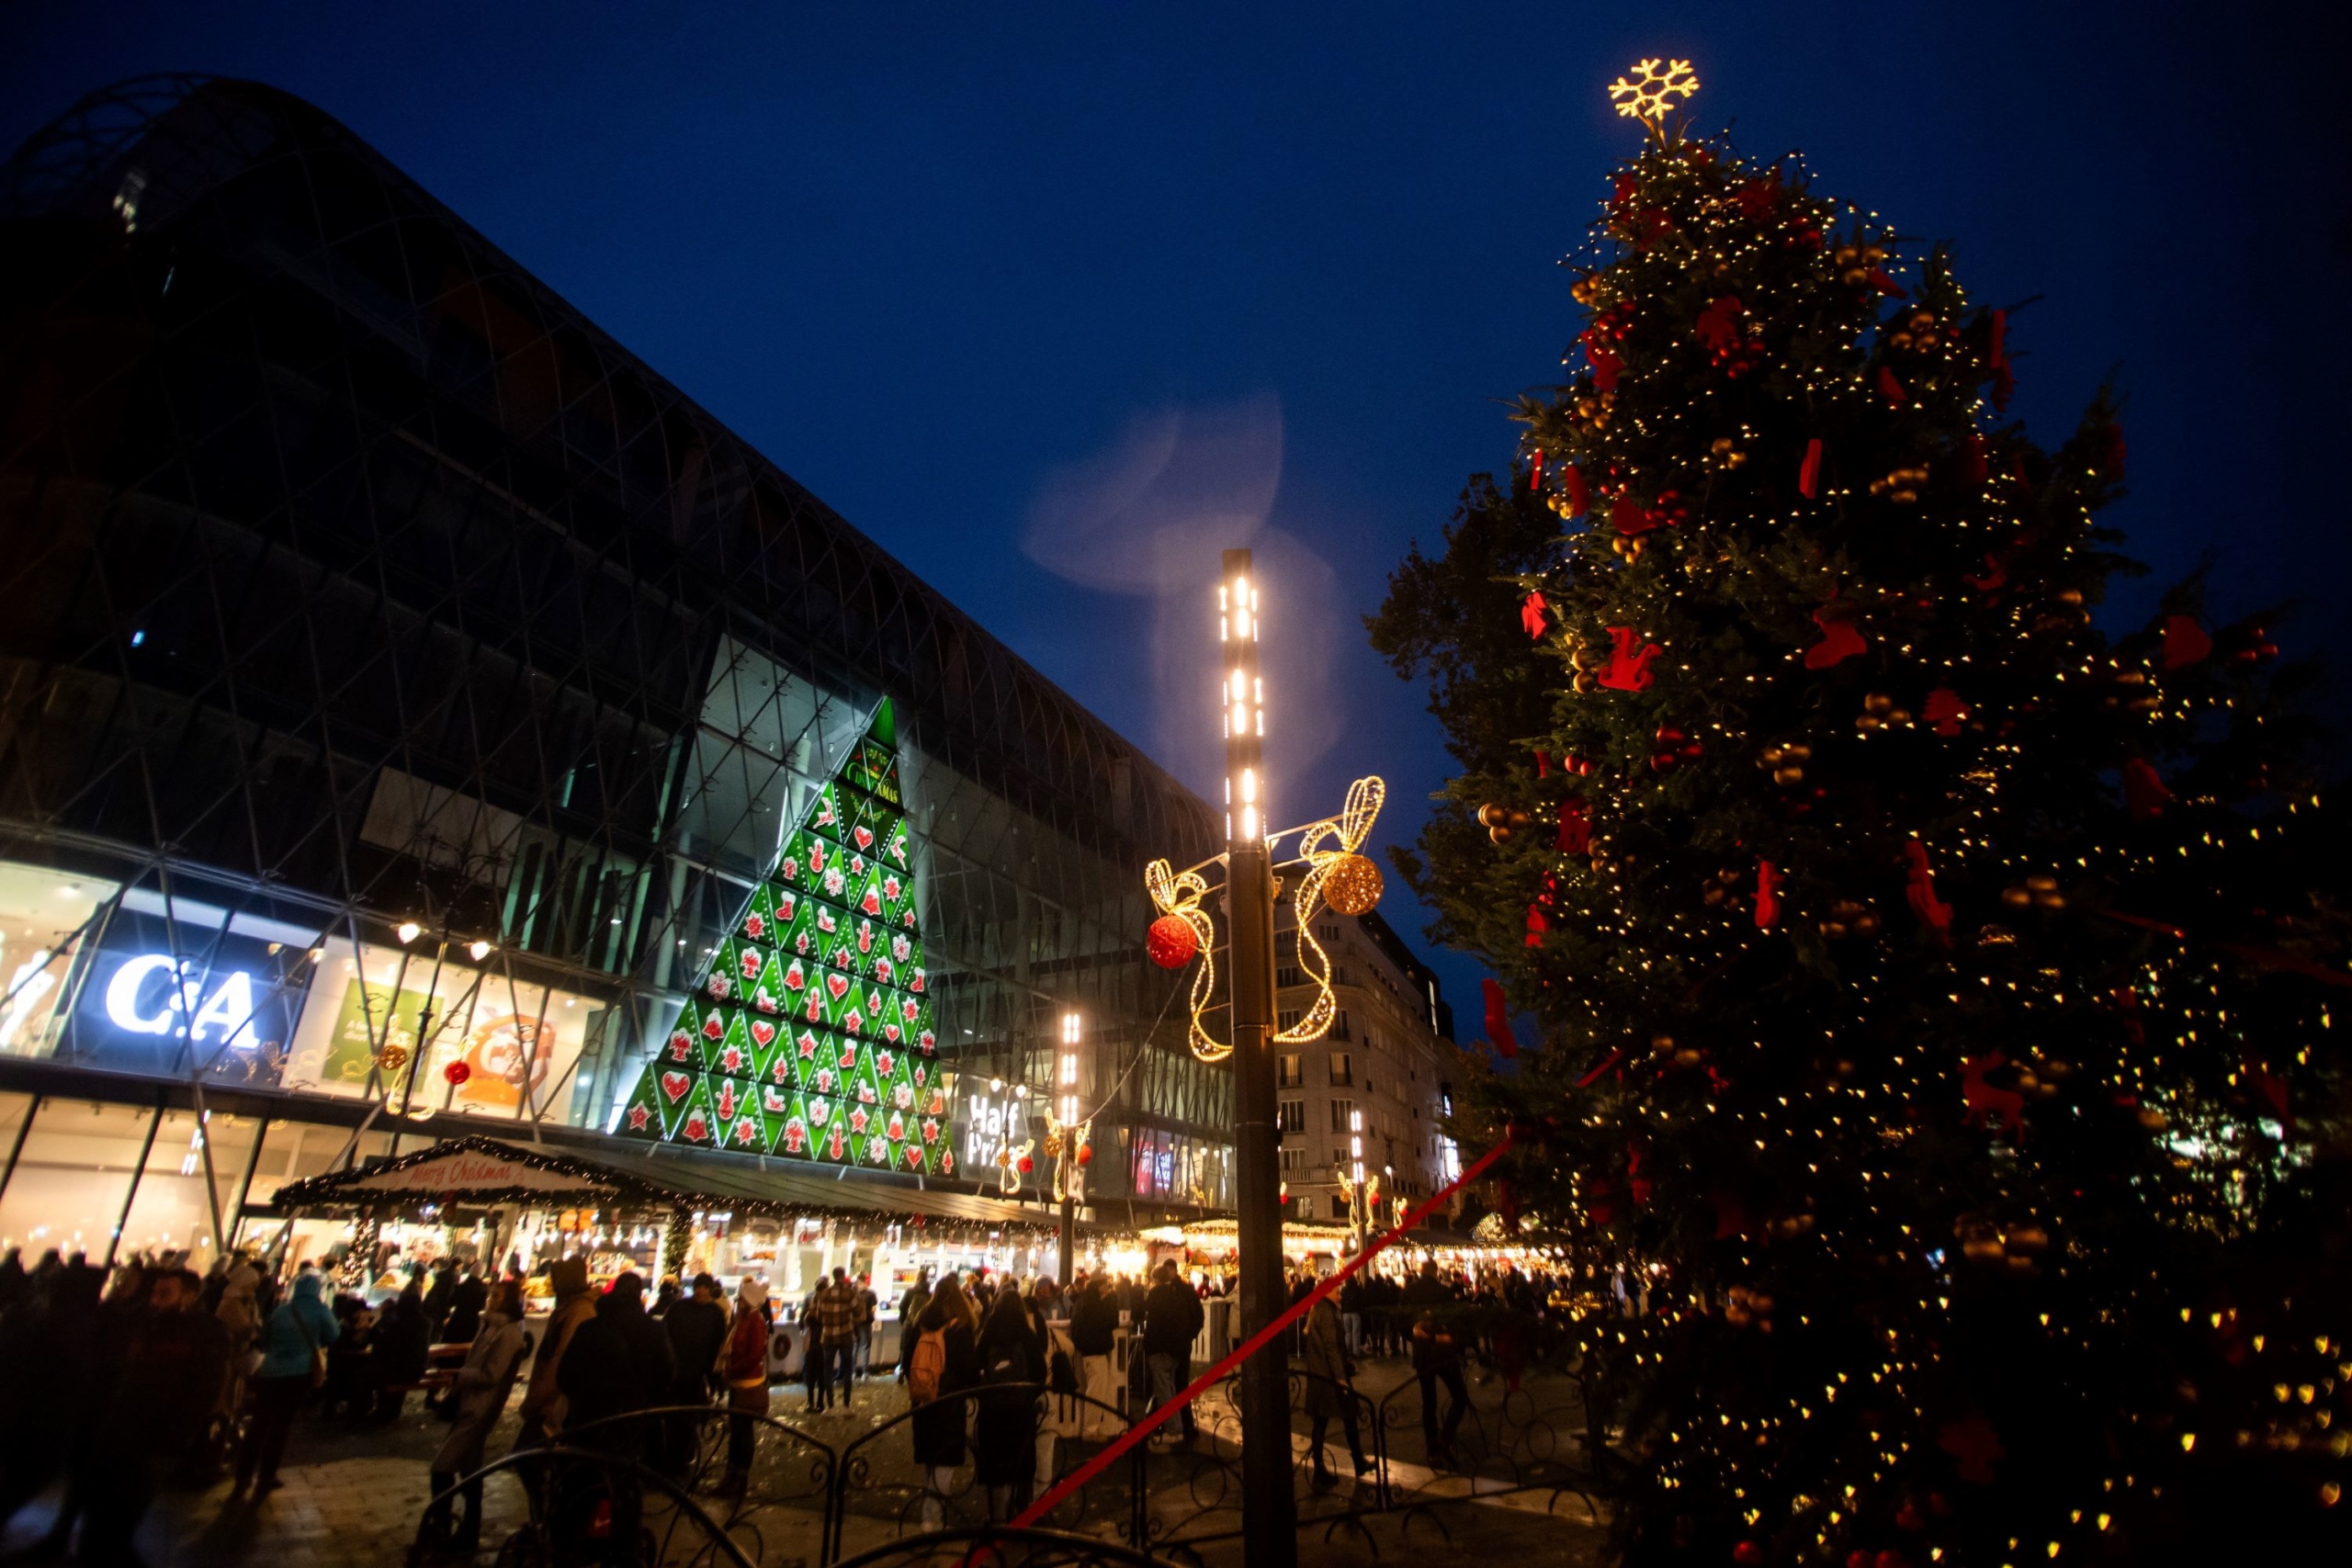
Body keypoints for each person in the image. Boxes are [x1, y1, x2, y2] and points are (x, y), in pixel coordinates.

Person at [425, 1280, 532, 1552]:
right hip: (470, 1404)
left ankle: (442, 1527)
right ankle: (465, 1531)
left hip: (479, 1408)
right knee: (470, 1471)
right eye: (490, 1295)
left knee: (442, 1467)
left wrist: (458, 1376)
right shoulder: (490, 1325)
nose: (490, 1299)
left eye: (496, 1296)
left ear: (508, 1301)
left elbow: (492, 1374)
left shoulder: (507, 1332)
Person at [235, 1268, 339, 1496]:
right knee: (281, 1426)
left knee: (258, 1425)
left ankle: (242, 1477)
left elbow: (265, 1340)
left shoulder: (282, 1310)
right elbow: (333, 1334)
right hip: (297, 1374)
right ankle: (266, 1475)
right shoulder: (320, 1310)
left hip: (271, 1372)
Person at [907, 1273, 980, 1529]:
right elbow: (968, 1368)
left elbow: (908, 1361)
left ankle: (930, 1514)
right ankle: (933, 1519)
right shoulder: (961, 1328)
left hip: (923, 1399)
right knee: (945, 1462)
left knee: (929, 1458)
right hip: (950, 1401)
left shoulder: (921, 1321)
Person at [973, 1290, 1043, 1518]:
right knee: (1021, 1460)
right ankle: (1022, 1509)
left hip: (993, 1409)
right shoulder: (1026, 1334)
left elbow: (973, 1366)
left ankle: (998, 1514)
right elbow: (1040, 1371)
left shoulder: (989, 1332)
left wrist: (984, 1392)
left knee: (995, 1462)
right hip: (1020, 1408)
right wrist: (1030, 1394)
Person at [515, 1257, 596, 1445]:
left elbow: (562, 1358)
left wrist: (541, 1399)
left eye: (556, 1278)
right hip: (549, 1399)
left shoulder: (578, 1310)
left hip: (553, 1402)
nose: (553, 1283)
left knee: (531, 1456)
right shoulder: (569, 1308)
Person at [1298, 1289, 1371, 1490]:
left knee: (1323, 1422)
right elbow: (1331, 1346)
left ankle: (1324, 1468)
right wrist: (1341, 1377)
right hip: (1329, 1376)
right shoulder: (1326, 1313)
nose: (1340, 1296)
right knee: (1348, 1415)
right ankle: (1353, 1462)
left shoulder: (1318, 1310)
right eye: (1337, 1292)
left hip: (1319, 1375)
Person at [662, 1273, 729, 1468]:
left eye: (705, 1287)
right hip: (676, 1374)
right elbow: (665, 1334)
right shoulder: (678, 1308)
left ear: (710, 1290)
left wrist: (714, 1376)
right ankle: (670, 1460)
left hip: (698, 1376)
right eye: (698, 1286)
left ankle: (684, 1459)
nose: (701, 1290)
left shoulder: (715, 1313)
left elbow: (718, 1344)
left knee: (690, 1421)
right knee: (673, 1419)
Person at [1405, 1261, 1469, 1465]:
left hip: (1423, 1353)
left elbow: (1402, 1321)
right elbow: (1453, 1319)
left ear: (1421, 1272)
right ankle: (1446, 1436)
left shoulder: (1409, 1292)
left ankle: (1432, 1448)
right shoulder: (1444, 1292)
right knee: (1459, 1396)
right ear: (1436, 1272)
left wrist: (1414, 1338)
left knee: (1429, 1402)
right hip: (1443, 1352)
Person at [716, 1279, 771, 1497]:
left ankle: (739, 1477)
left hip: (747, 1384)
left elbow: (755, 1355)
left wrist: (732, 1370)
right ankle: (732, 1476)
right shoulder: (742, 1320)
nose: (738, 1302)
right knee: (737, 1432)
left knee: (742, 1432)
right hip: (738, 1382)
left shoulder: (755, 1321)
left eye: (741, 1299)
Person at [1141, 1260, 1204, 1446]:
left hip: (1164, 1348)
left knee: (1166, 1389)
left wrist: (1149, 1344)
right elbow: (1193, 1318)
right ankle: (1178, 1426)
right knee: (1172, 1388)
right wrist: (1186, 1338)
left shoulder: (1159, 1294)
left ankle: (1175, 1429)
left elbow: (1154, 1323)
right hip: (1177, 1348)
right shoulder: (1180, 1294)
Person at [1065, 1274, 1121, 1438]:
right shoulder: (1096, 1303)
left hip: (1086, 1351)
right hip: (1096, 1351)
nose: (1108, 1285)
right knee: (1096, 1392)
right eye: (1106, 1283)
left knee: (1092, 1389)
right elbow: (1111, 1321)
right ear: (1100, 1285)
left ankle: (1091, 1428)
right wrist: (1111, 1301)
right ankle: (1090, 1430)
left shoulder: (1083, 1301)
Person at [371, 1280, 431, 1421]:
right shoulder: (425, 1323)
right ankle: (393, 1411)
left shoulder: (398, 1324)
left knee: (375, 1372)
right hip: (418, 1370)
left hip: (397, 1371)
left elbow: (381, 1345)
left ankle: (382, 1411)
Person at [812, 1268, 861, 1411]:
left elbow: (818, 1315)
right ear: (843, 1276)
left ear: (833, 1276)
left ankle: (831, 1406)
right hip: (846, 1336)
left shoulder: (823, 1294)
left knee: (827, 1370)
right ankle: (846, 1405)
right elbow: (858, 1311)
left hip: (828, 1337)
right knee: (847, 1369)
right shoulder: (849, 1293)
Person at [896, 1268, 933, 1381]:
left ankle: (903, 1371)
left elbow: (901, 1306)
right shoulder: (930, 1294)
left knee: (905, 1348)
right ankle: (917, 1373)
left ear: (917, 1278)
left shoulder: (910, 1291)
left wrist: (904, 1321)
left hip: (910, 1324)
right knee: (919, 1350)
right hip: (922, 1326)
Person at [443, 1269, 488, 1346]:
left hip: (457, 1321)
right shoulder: (483, 1289)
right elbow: (482, 1307)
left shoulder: (462, 1285)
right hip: (472, 1324)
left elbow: (451, 1302)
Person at [853, 1272, 878, 1378]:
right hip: (866, 1321)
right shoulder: (870, 1293)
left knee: (855, 1345)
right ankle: (864, 1371)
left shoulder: (853, 1292)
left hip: (854, 1322)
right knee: (866, 1345)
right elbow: (874, 1304)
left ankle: (852, 1372)